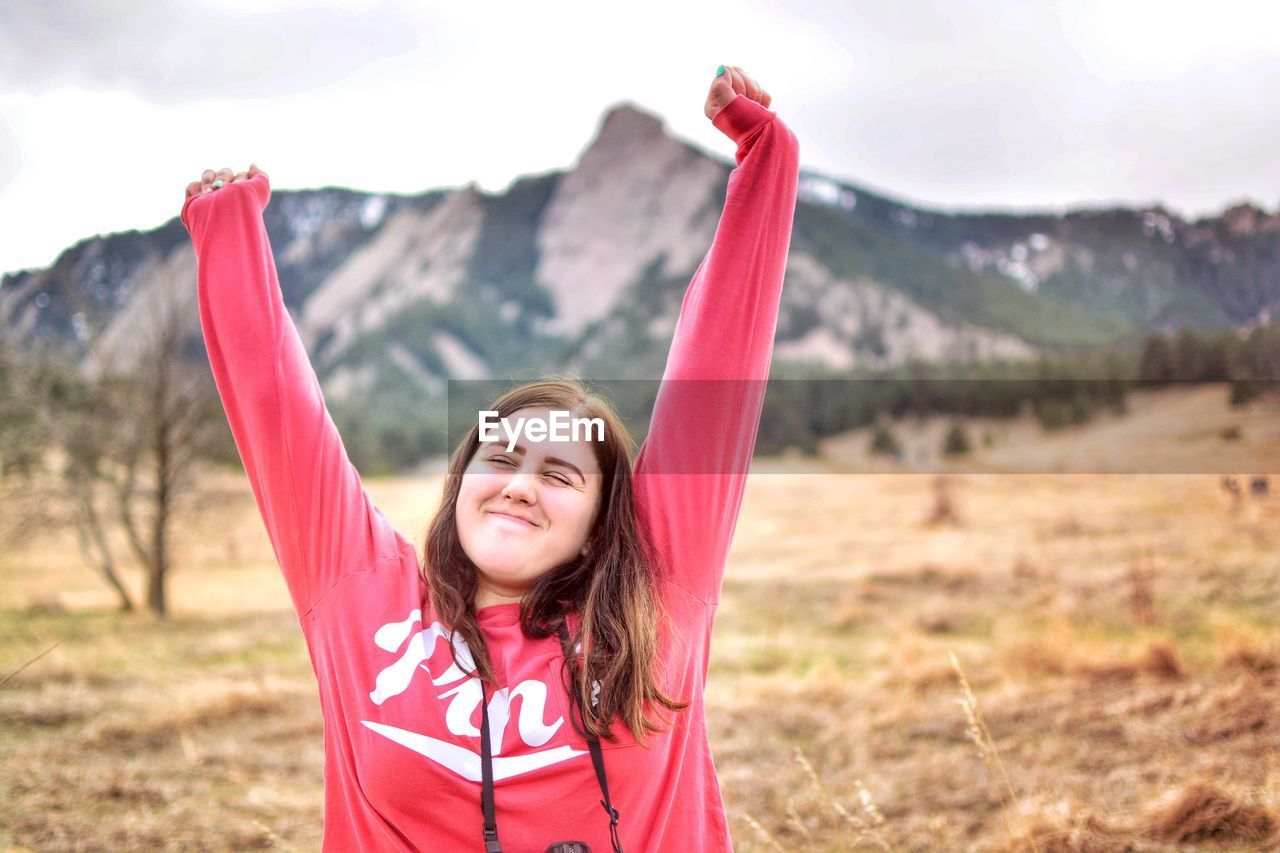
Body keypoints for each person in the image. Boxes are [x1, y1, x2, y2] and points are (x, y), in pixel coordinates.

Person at [181, 64, 799, 852]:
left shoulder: (658, 590)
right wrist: (227, 234)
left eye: (560, 473)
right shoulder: (364, 596)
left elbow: (719, 370)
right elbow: (279, 417)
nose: (518, 487)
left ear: (602, 519)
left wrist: (763, 162)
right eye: (499, 459)